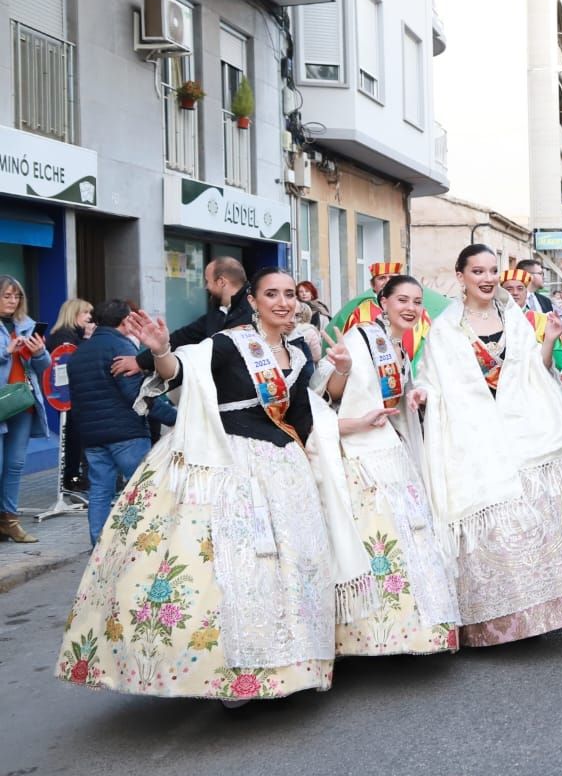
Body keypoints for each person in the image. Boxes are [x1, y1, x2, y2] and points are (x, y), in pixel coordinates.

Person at [58, 267, 372, 701]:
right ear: (254, 301)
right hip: (231, 462)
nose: (283, 302)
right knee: (238, 563)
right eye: (271, 294)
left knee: (293, 567)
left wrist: (342, 371)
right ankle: (233, 673)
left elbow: (306, 416)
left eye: (288, 294)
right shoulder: (228, 343)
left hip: (285, 470)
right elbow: (180, 372)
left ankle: (292, 667)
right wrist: (162, 350)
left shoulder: (300, 354)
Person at [415, 244, 562, 647]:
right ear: (460, 276)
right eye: (477, 271)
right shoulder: (444, 328)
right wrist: (422, 396)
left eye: (492, 270)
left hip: (521, 420)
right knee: (494, 514)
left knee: (541, 506)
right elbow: (432, 376)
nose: (487, 278)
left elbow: (535, 367)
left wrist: (547, 340)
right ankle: (498, 618)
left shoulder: (512, 317)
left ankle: (543, 607)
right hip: (472, 428)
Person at [331, 274, 460, 657]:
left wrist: (416, 395)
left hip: (391, 450)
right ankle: (370, 638)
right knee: (377, 542)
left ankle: (415, 632)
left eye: (417, 302)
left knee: (408, 539)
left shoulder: (398, 347)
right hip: (361, 456)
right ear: (382, 301)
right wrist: (340, 368)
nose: (411, 308)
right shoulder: (360, 337)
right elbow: (333, 392)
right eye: (402, 299)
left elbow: (396, 402)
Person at [69, 300, 176, 544]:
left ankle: (99, 546)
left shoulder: (79, 352)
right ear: (125, 320)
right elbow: (136, 395)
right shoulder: (121, 346)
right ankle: (146, 545)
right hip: (126, 434)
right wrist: (176, 417)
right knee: (145, 490)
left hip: (93, 436)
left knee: (99, 491)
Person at [117, 257, 251, 377]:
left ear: (221, 282)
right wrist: (141, 361)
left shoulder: (255, 308)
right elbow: (183, 337)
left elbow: (216, 354)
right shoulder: (217, 313)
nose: (206, 287)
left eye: (207, 281)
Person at [0, 276, 50, 543]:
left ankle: (9, 520)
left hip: (22, 402)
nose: (12, 301)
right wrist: (6, 351)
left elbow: (43, 366)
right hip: (0, 403)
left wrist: (40, 352)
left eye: (16, 296)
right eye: (6, 295)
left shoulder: (27, 325)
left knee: (15, 464)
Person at [501, 269, 562, 398]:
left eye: (520, 288)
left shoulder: (541, 319)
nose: (515, 293)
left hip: (535, 388)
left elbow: (558, 350)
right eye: (509, 289)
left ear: (526, 292)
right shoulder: (491, 319)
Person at [46, 297, 93, 495]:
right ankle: (70, 479)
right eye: (85, 313)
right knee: (73, 439)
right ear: (73, 314)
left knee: (76, 439)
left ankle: (73, 478)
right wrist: (87, 340)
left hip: (72, 395)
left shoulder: (72, 334)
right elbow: (73, 362)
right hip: (67, 396)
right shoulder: (64, 336)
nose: (89, 317)